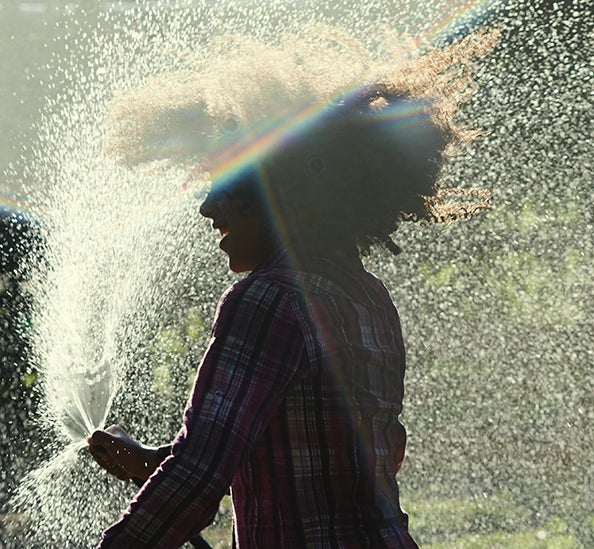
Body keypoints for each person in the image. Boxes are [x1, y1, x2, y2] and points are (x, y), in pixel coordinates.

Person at [88, 30, 495, 548]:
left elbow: (197, 476)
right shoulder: (368, 300)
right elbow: (331, 458)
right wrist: (153, 463)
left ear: (282, 190)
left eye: (225, 182)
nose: (207, 207)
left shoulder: (269, 299)